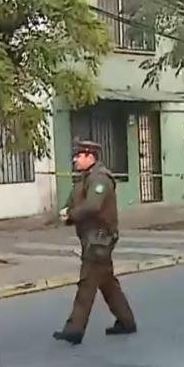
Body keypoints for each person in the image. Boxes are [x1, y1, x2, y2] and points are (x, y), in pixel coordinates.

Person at [53, 141, 136, 345]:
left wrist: (71, 214)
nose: (75, 159)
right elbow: (76, 201)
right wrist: (67, 213)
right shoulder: (85, 179)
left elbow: (93, 206)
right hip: (92, 238)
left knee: (87, 283)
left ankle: (75, 329)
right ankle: (126, 321)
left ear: (91, 157)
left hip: (100, 238)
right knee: (107, 282)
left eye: (79, 155)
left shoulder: (100, 179)